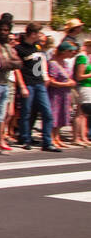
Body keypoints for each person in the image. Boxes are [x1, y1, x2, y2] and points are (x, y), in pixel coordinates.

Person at [15, 22, 58, 152]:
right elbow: (17, 69)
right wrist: (22, 86)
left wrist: (45, 79)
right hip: (28, 83)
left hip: (39, 83)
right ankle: (25, 138)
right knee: (26, 112)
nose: (41, 35)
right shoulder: (20, 49)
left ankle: (47, 141)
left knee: (47, 113)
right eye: (39, 33)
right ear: (33, 34)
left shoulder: (37, 48)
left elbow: (40, 66)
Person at [49, 39, 78, 148]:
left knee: (62, 115)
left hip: (66, 94)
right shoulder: (53, 63)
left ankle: (57, 137)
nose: (72, 53)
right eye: (70, 51)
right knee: (54, 115)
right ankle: (51, 137)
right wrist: (64, 85)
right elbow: (51, 80)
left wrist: (71, 83)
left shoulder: (65, 63)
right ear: (64, 51)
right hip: (56, 93)